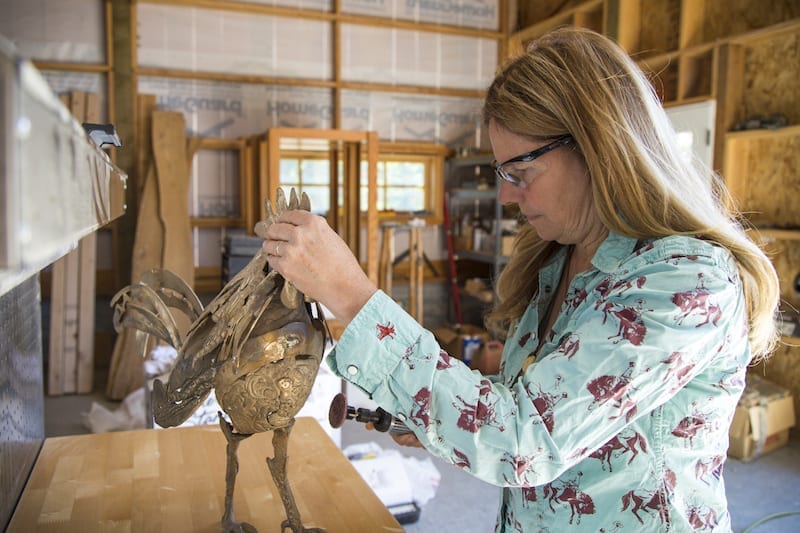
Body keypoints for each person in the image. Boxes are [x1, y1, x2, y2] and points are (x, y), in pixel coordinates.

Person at [262, 27, 779, 532]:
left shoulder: (685, 282)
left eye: (521, 173)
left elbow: (523, 440)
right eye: (502, 174)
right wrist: (450, 417)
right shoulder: (563, 264)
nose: (508, 197)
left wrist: (350, 294)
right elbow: (538, 403)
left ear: (596, 148)